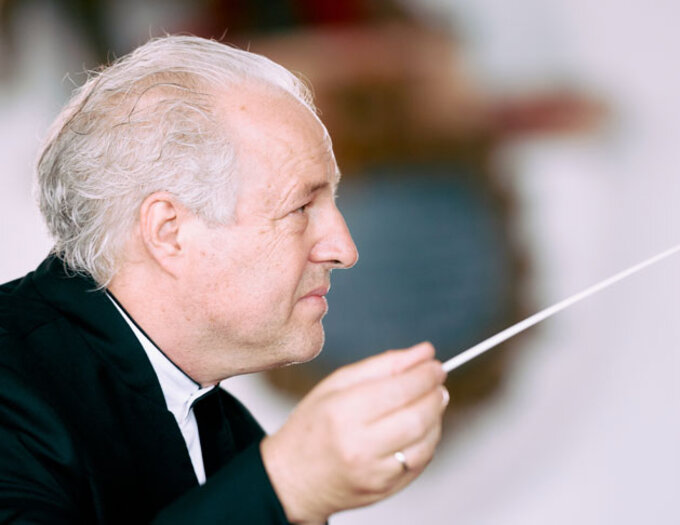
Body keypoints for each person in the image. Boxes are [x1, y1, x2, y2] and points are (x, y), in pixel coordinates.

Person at [0, 35, 449, 524]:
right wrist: (288, 486)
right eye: (302, 206)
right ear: (170, 232)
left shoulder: (224, 430)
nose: (344, 250)